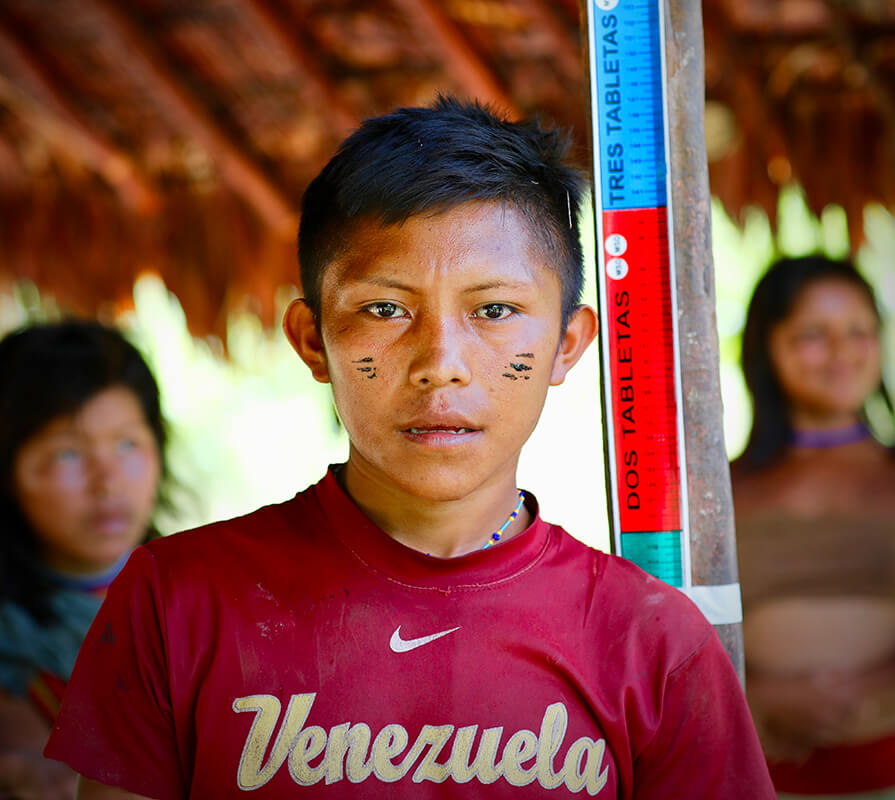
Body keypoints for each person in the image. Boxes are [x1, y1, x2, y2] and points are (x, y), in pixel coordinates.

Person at [45, 98, 774, 799]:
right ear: (312, 339)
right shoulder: (175, 602)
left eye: (494, 310)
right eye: (385, 309)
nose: (441, 362)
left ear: (566, 344)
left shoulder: (652, 643)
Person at [732, 255, 895, 798]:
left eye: (859, 331)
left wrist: (876, 689)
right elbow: (676, 629)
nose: (843, 352)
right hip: (760, 772)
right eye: (814, 334)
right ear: (767, 346)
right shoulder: (717, 490)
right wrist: (758, 697)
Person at [0, 320, 169, 800]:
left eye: (127, 445)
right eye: (67, 454)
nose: (107, 482)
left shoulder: (203, 593)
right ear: (8, 473)